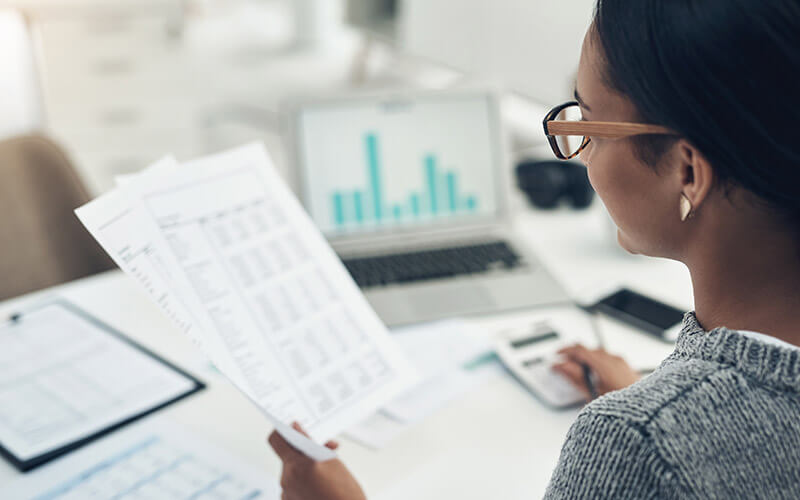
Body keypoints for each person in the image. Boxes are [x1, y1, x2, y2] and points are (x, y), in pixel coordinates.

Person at [268, 0, 800, 497]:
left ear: (687, 171)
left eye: (588, 123)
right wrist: (660, 395)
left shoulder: (638, 443)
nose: (580, 154)